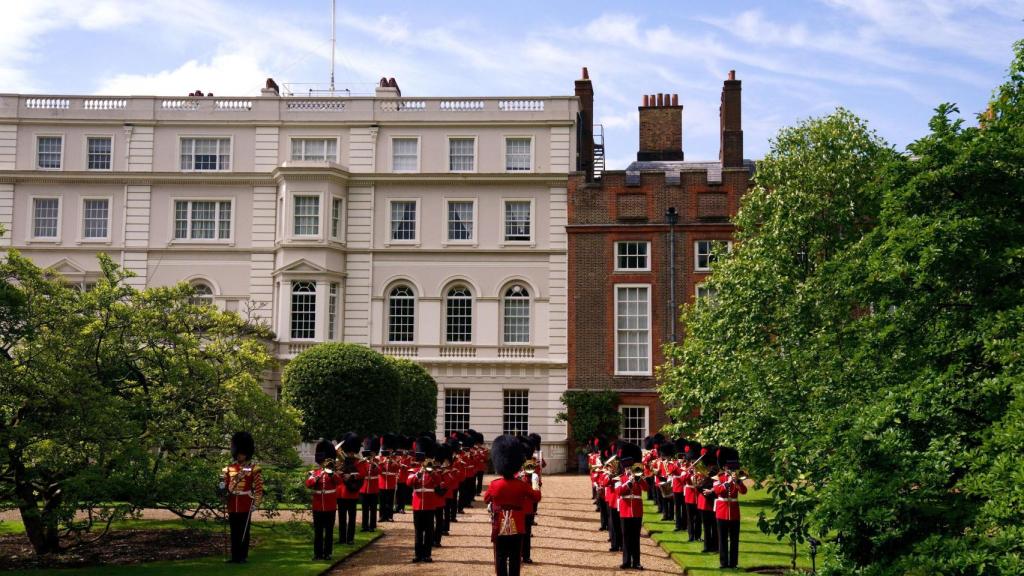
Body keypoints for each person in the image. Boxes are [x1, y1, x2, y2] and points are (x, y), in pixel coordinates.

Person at [485, 434, 541, 576]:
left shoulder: (494, 484)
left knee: (500, 556)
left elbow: (486, 499)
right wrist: (535, 482)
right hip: (517, 523)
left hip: (499, 523)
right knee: (515, 557)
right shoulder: (521, 485)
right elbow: (536, 497)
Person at [221, 431, 263, 563]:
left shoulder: (253, 469)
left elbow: (258, 488)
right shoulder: (229, 469)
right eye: (239, 453)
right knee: (234, 532)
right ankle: (234, 557)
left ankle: (243, 556)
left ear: (246, 453)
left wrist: (256, 503)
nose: (240, 455)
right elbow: (225, 485)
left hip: (246, 503)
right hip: (233, 503)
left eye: (242, 453)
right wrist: (222, 492)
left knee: (244, 532)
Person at [406, 436, 441, 563]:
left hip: (429, 505)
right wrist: (418, 473)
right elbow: (409, 482)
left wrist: (432, 472)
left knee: (429, 531)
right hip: (417, 505)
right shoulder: (414, 470)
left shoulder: (433, 471)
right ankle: (418, 554)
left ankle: (427, 554)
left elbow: (438, 482)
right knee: (418, 532)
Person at [713, 447, 748, 569]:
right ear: (724, 467)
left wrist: (737, 482)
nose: (732, 469)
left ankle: (733, 563)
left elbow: (744, 491)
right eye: (729, 467)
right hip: (721, 512)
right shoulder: (719, 477)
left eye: (733, 467)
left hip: (734, 512)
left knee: (734, 539)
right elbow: (717, 491)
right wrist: (727, 482)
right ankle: (723, 563)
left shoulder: (737, 478)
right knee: (722, 539)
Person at [615, 442, 648, 570]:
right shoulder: (620, 478)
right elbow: (619, 492)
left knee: (636, 537)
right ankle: (626, 561)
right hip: (625, 509)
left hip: (637, 510)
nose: (629, 469)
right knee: (626, 536)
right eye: (627, 468)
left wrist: (638, 479)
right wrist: (629, 482)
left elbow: (646, 488)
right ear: (624, 467)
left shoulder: (638, 475)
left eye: (631, 467)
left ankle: (636, 562)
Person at [305, 439, 339, 561]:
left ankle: (328, 553)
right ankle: (317, 554)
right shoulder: (314, 472)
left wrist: (331, 473)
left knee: (329, 532)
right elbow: (308, 484)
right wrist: (318, 476)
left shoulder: (332, 473)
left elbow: (338, 481)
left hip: (330, 506)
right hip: (318, 506)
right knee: (318, 532)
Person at [335, 434, 365, 546]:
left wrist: (351, 476)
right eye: (349, 451)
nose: (350, 453)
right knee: (342, 518)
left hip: (351, 492)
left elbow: (362, 474)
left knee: (351, 518)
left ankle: (350, 538)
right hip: (341, 493)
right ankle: (342, 538)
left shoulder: (359, 462)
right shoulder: (340, 461)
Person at [377, 434, 401, 523]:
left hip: (391, 482)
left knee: (390, 501)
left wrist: (393, 461)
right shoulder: (381, 458)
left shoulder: (396, 458)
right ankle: (382, 516)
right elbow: (379, 471)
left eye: (390, 449)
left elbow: (398, 467)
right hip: (382, 483)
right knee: (382, 501)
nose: (389, 450)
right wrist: (383, 462)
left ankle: (390, 516)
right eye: (388, 449)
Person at [359, 436, 381, 532]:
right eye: (369, 452)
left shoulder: (377, 462)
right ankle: (364, 526)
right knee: (364, 509)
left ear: (374, 452)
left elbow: (380, 471)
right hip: (364, 488)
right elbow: (360, 472)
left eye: (372, 452)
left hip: (373, 488)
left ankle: (372, 526)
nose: (370, 454)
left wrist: (374, 465)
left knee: (373, 509)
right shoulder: (363, 462)